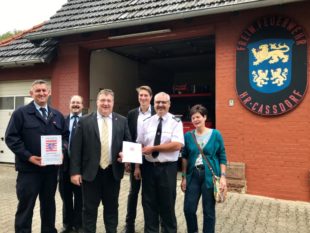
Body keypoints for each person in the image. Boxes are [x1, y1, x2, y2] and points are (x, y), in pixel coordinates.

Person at [5, 80, 69, 233]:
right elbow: (11, 138)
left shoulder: (57, 115)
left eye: (44, 90)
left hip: (51, 171)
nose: (41, 93)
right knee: (26, 207)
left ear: (49, 93)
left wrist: (62, 150)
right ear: (31, 93)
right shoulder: (20, 114)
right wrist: (28, 157)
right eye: (38, 90)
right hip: (29, 171)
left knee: (49, 205)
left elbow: (66, 137)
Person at [70, 89, 131, 233]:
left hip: (112, 172)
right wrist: (74, 172)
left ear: (113, 103)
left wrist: (126, 155)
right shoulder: (84, 121)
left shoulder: (122, 120)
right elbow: (76, 148)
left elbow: (128, 142)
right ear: (97, 102)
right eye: (102, 100)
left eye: (109, 101)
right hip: (91, 173)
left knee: (111, 208)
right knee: (89, 209)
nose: (105, 103)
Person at [136, 92, 184, 233]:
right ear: (154, 104)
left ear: (169, 104)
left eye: (164, 102)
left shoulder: (176, 122)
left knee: (167, 204)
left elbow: (177, 145)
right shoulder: (146, 122)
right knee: (148, 204)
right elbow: (139, 144)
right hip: (149, 168)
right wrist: (133, 162)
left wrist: (154, 148)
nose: (161, 105)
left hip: (167, 169)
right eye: (158, 102)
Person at [181, 104, 227, 233]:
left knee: (208, 211)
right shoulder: (188, 136)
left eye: (198, 117)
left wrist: (223, 177)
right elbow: (184, 157)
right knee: (188, 209)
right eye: (193, 118)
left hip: (210, 177)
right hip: (193, 175)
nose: (195, 120)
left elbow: (222, 156)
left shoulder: (216, 134)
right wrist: (184, 177)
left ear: (204, 117)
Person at [124, 86, 155, 233]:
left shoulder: (157, 112)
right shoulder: (131, 114)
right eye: (140, 95)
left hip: (152, 160)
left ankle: (151, 225)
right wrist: (129, 161)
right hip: (135, 157)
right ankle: (129, 225)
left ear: (151, 97)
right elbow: (128, 137)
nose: (143, 98)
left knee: (149, 194)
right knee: (133, 193)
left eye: (145, 95)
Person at [59, 95, 84, 233]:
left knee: (80, 198)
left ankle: (78, 225)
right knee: (66, 198)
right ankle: (67, 224)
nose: (75, 105)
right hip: (64, 167)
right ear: (69, 104)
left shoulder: (87, 121)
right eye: (73, 102)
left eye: (78, 103)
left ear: (82, 105)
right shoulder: (62, 120)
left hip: (81, 168)